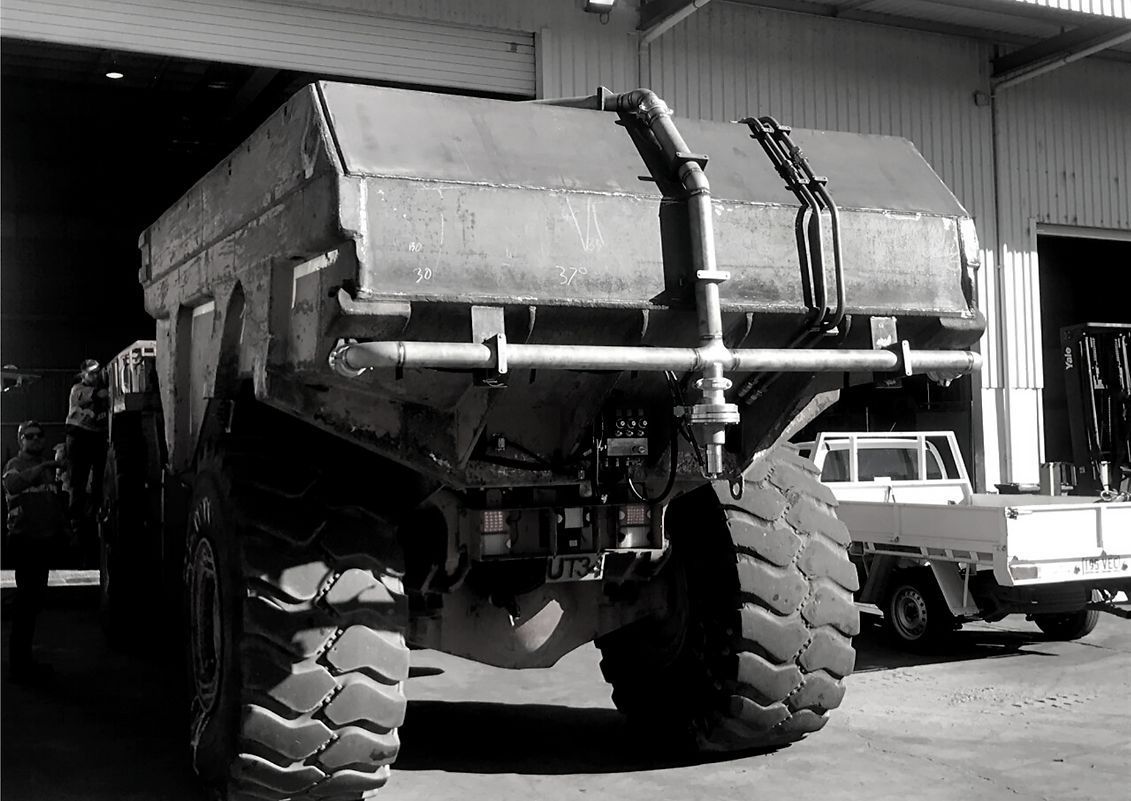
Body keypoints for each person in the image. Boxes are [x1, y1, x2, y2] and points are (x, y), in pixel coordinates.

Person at [3, 420, 68, 682]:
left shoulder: (49, 471)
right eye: (29, 436)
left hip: (42, 542)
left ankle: (25, 660)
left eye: (39, 435)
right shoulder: (15, 466)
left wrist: (64, 531)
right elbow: (12, 486)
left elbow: (53, 501)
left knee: (34, 602)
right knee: (25, 604)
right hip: (24, 541)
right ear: (20, 441)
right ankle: (19, 665)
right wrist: (43, 467)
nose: (35, 440)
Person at [65, 358, 108, 537]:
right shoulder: (78, 389)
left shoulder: (99, 389)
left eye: (97, 372)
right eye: (92, 373)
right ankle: (75, 522)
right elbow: (98, 395)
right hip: (79, 435)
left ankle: (93, 513)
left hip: (95, 436)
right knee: (78, 480)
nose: (95, 376)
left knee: (99, 478)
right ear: (83, 374)